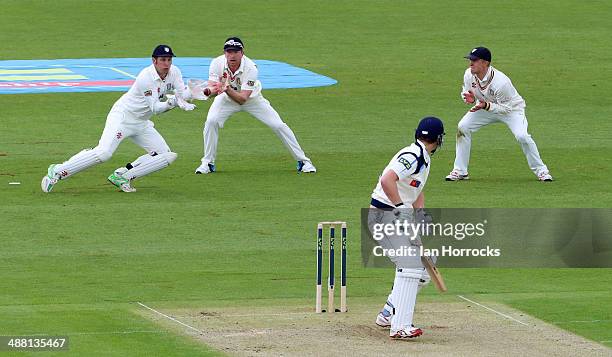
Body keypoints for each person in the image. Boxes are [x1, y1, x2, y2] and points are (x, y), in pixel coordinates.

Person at [41, 45, 195, 193]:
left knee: (166, 155)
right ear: (154, 60)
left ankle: (122, 176)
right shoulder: (145, 78)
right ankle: (57, 171)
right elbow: (156, 108)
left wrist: (206, 92)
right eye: (163, 59)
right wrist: (174, 102)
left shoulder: (175, 72)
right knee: (104, 153)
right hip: (123, 117)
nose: (167, 63)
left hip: (142, 122)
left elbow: (183, 94)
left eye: (169, 59)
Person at [368, 116, 445, 339]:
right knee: (410, 265)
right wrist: (401, 207)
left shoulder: (422, 158)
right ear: (438, 139)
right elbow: (387, 180)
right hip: (383, 216)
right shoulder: (412, 156)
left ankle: (389, 312)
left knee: (426, 267)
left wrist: (419, 215)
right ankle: (400, 326)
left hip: (396, 217)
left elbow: (415, 189)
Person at [194, 37, 316, 174]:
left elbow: (242, 99)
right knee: (211, 121)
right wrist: (207, 91)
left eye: (235, 52)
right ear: (224, 53)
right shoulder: (217, 63)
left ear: (242, 53)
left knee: (278, 125)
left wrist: (227, 89)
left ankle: (304, 161)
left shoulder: (251, 68)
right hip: (226, 99)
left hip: (252, 99)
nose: (232, 55)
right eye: (229, 52)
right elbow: (212, 88)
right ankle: (207, 163)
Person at [445, 46, 553, 182]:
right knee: (463, 127)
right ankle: (460, 171)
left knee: (522, 136)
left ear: (485, 63)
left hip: (511, 110)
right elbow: (466, 90)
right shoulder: (469, 74)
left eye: (474, 60)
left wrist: (485, 105)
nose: (470, 63)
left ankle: (542, 171)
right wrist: (469, 97)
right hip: (485, 107)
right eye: (470, 60)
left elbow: (506, 109)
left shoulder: (501, 82)